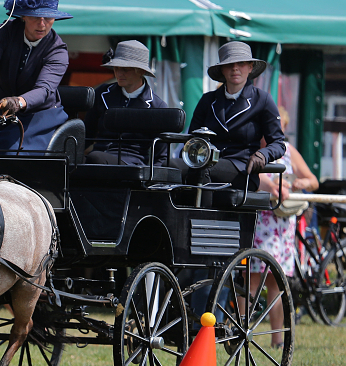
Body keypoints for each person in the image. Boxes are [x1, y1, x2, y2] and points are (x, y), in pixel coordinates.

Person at [0, 0, 72, 153]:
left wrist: (18, 102)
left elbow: (44, 89)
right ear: (23, 16)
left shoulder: (58, 51)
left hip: (37, 117)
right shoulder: (1, 33)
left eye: (48, 17)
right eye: (35, 17)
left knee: (13, 153)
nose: (42, 23)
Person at [175, 41, 285, 190]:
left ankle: (202, 211)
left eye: (241, 63)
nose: (235, 68)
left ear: (250, 67)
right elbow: (192, 139)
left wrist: (262, 155)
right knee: (168, 166)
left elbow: (278, 143)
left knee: (202, 169)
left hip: (242, 169)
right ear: (222, 70)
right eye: (229, 64)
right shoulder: (208, 100)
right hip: (204, 161)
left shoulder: (263, 100)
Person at [249, 114, 319, 348]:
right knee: (250, 280)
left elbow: (313, 180)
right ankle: (241, 332)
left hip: (283, 226)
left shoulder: (288, 150)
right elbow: (249, 175)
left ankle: (277, 339)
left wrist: (301, 184)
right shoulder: (251, 147)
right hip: (259, 222)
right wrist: (272, 186)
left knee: (276, 284)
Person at [84, 40, 169, 166]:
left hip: (131, 165)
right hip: (97, 158)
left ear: (141, 71)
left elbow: (161, 157)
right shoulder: (101, 94)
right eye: (116, 68)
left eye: (125, 69)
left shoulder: (157, 107)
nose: (119, 74)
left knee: (95, 158)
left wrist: (150, 182)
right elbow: (86, 134)